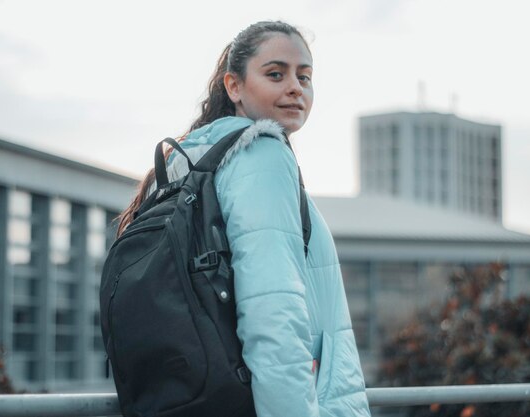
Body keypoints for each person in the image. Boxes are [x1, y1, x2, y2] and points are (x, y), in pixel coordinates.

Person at [117, 21, 371, 417]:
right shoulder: (262, 156)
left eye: (305, 76)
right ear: (233, 86)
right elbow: (274, 316)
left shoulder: (191, 160)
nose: (295, 87)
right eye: (275, 74)